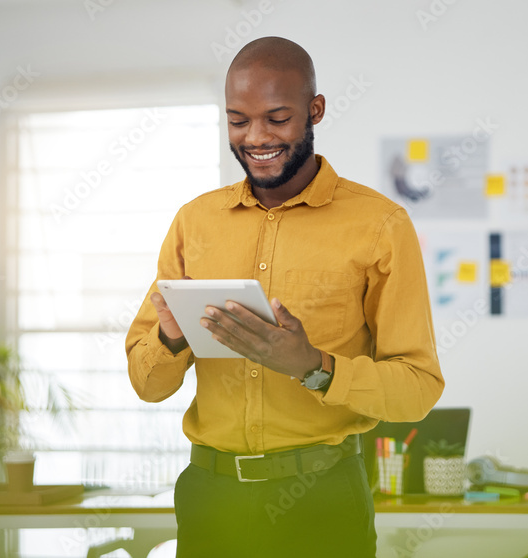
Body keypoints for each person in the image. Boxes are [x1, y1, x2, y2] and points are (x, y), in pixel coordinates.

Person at [125, 36, 444, 558]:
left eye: (277, 118)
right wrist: (171, 337)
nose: (255, 137)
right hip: (211, 498)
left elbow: (418, 388)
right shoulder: (193, 223)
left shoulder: (380, 226)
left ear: (314, 110)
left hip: (322, 500)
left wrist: (313, 366)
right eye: (238, 120)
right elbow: (147, 384)